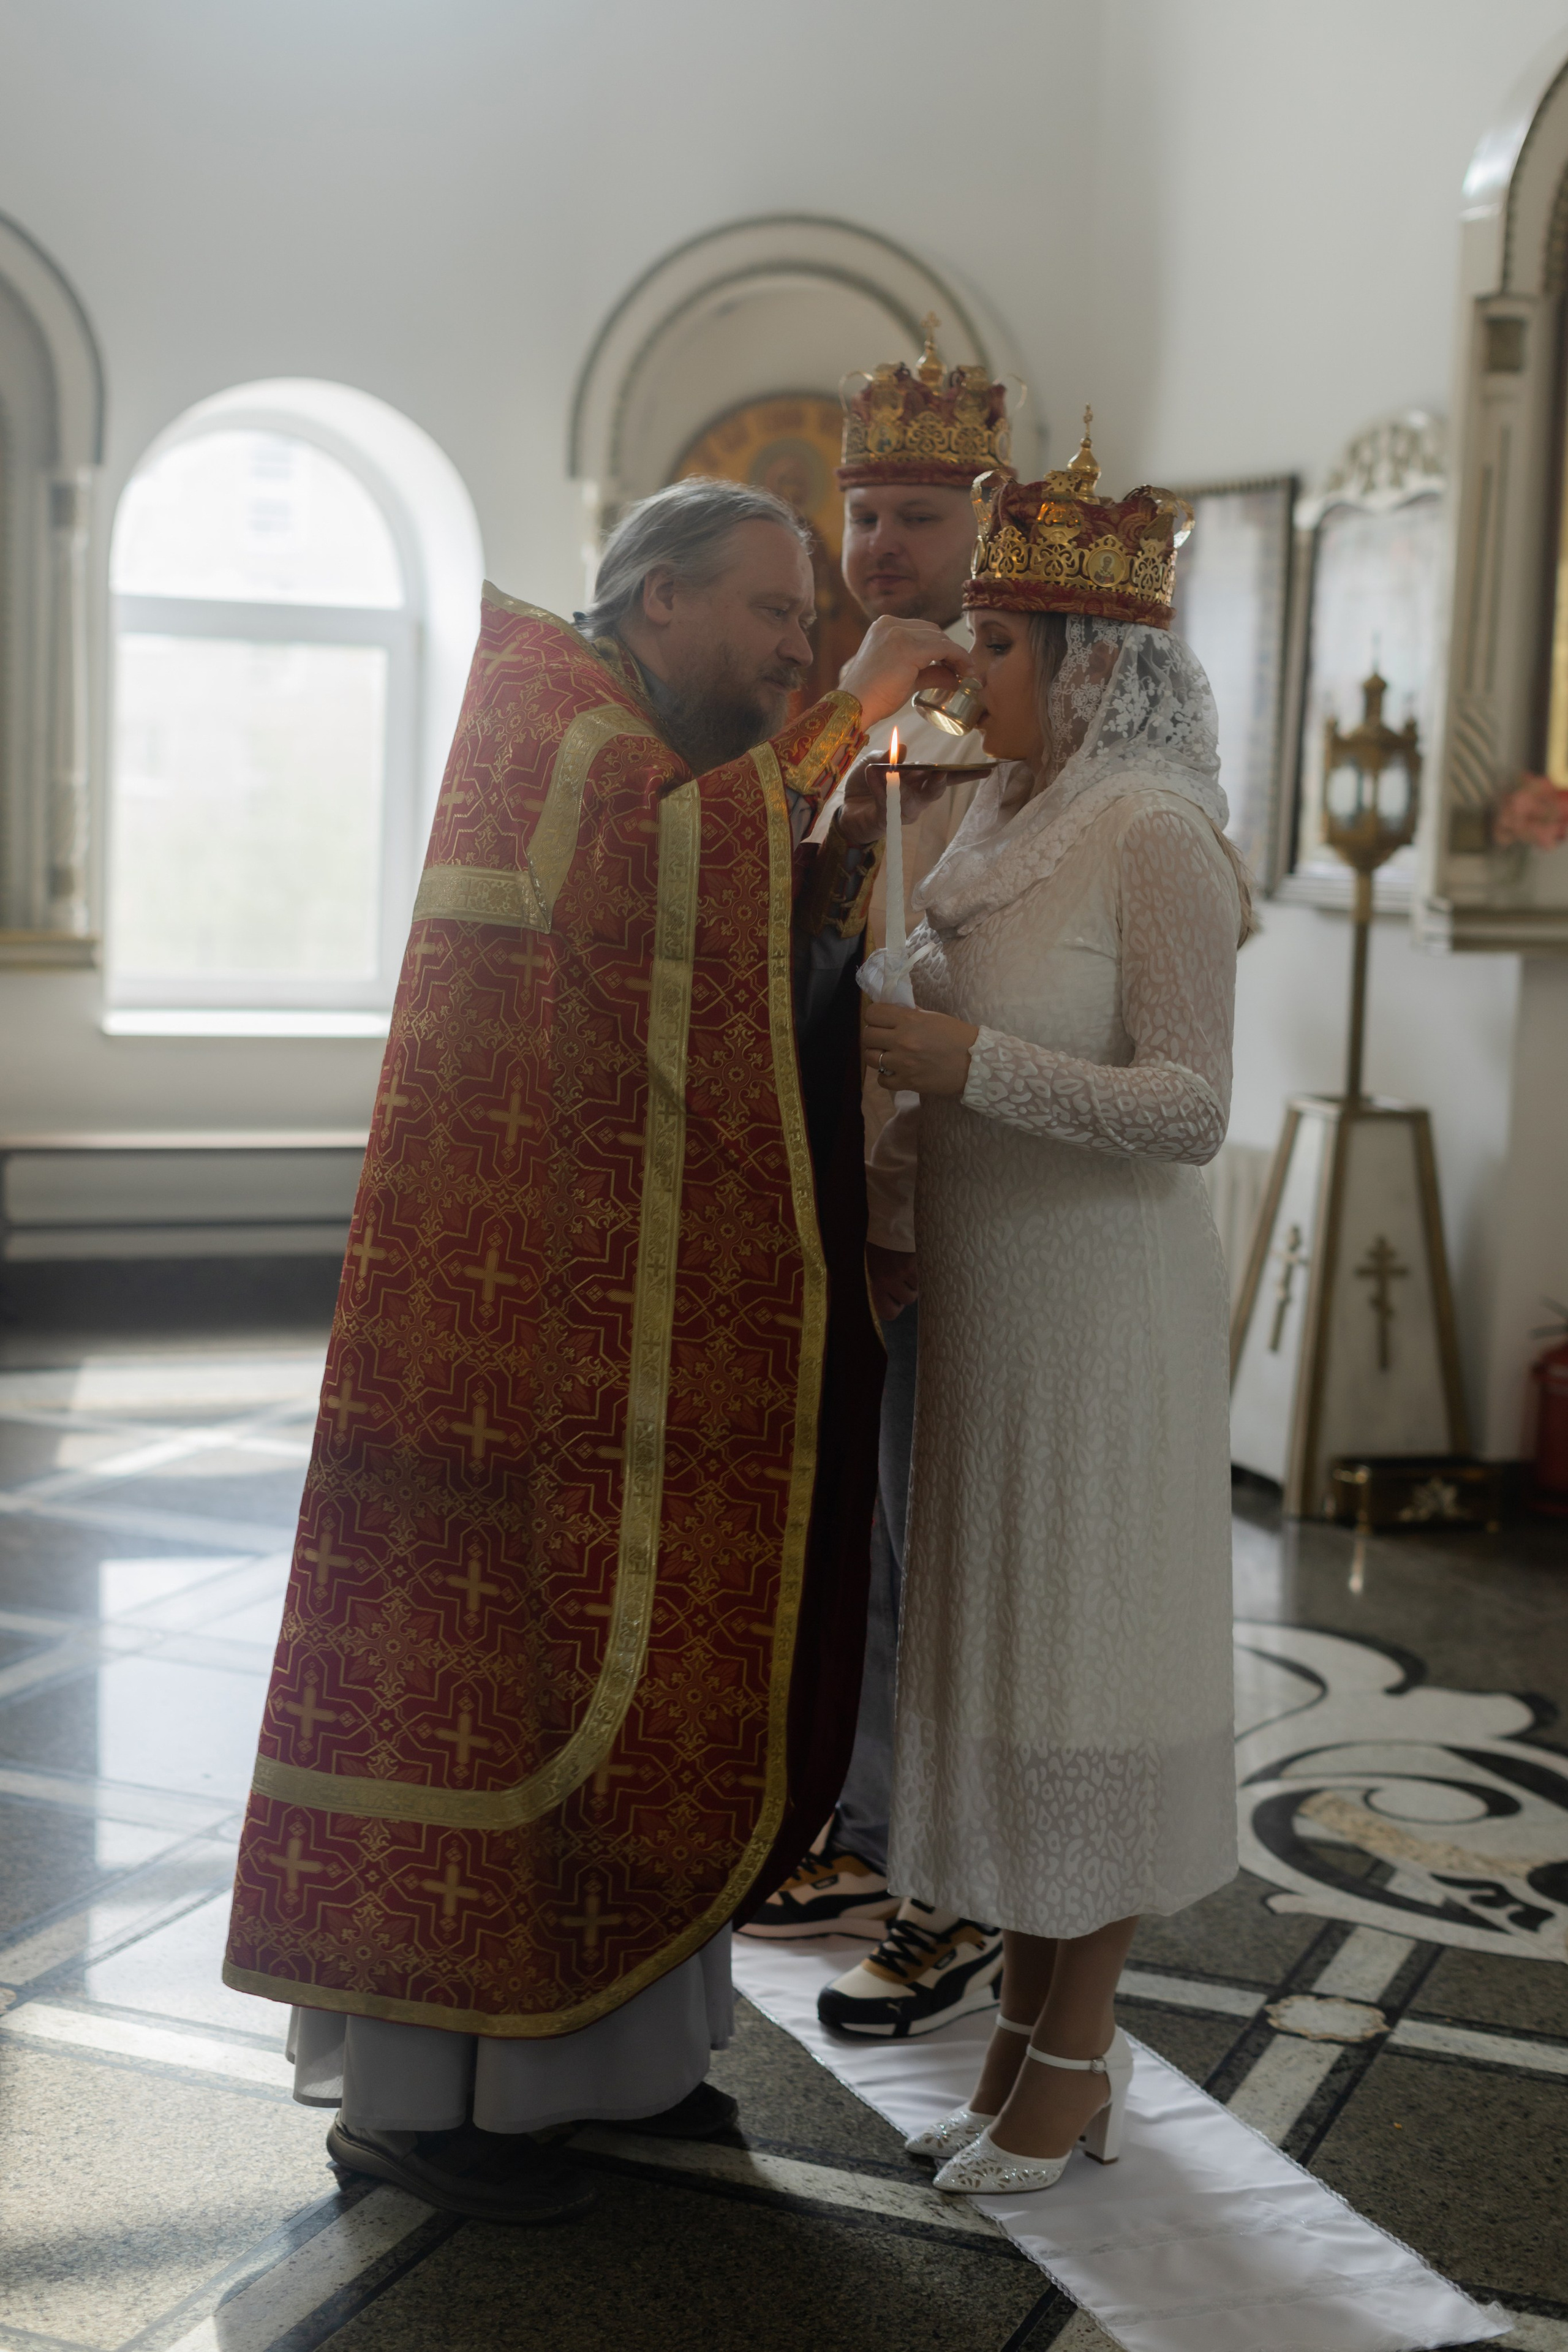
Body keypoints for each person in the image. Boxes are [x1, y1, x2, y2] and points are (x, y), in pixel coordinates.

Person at [221, 477, 963, 2222]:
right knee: (490, 1691)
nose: (800, 649)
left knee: (612, 1681)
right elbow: (653, 881)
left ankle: (604, 2075)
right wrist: (865, 703)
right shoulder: (557, 720)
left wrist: (824, 863)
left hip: (574, 1307)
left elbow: (688, 939)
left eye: (811, 623)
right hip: (506, 1336)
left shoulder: (623, 727)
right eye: (776, 615)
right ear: (657, 603)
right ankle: (423, 2098)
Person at [862, 420, 1247, 2192]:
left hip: (1102, 1318)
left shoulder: (1153, 834)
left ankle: (1073, 2060)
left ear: (1093, 666)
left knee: (1087, 1670)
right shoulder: (1004, 809)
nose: (971, 663)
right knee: (1014, 1670)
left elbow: (1188, 1108)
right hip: (998, 1314)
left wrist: (966, 1060)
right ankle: (1019, 2036)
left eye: (1000, 645)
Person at [743, 323, 1013, 2047]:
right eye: (867, 521)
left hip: (971, 1194)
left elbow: (966, 985)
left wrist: (906, 1211)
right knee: (845, 1522)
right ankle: (846, 1829)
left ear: (985, 531)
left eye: (919, 517)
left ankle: (936, 1859)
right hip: (830, 1182)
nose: (884, 554)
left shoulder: (1018, 714)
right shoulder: (845, 708)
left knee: (940, 1538)